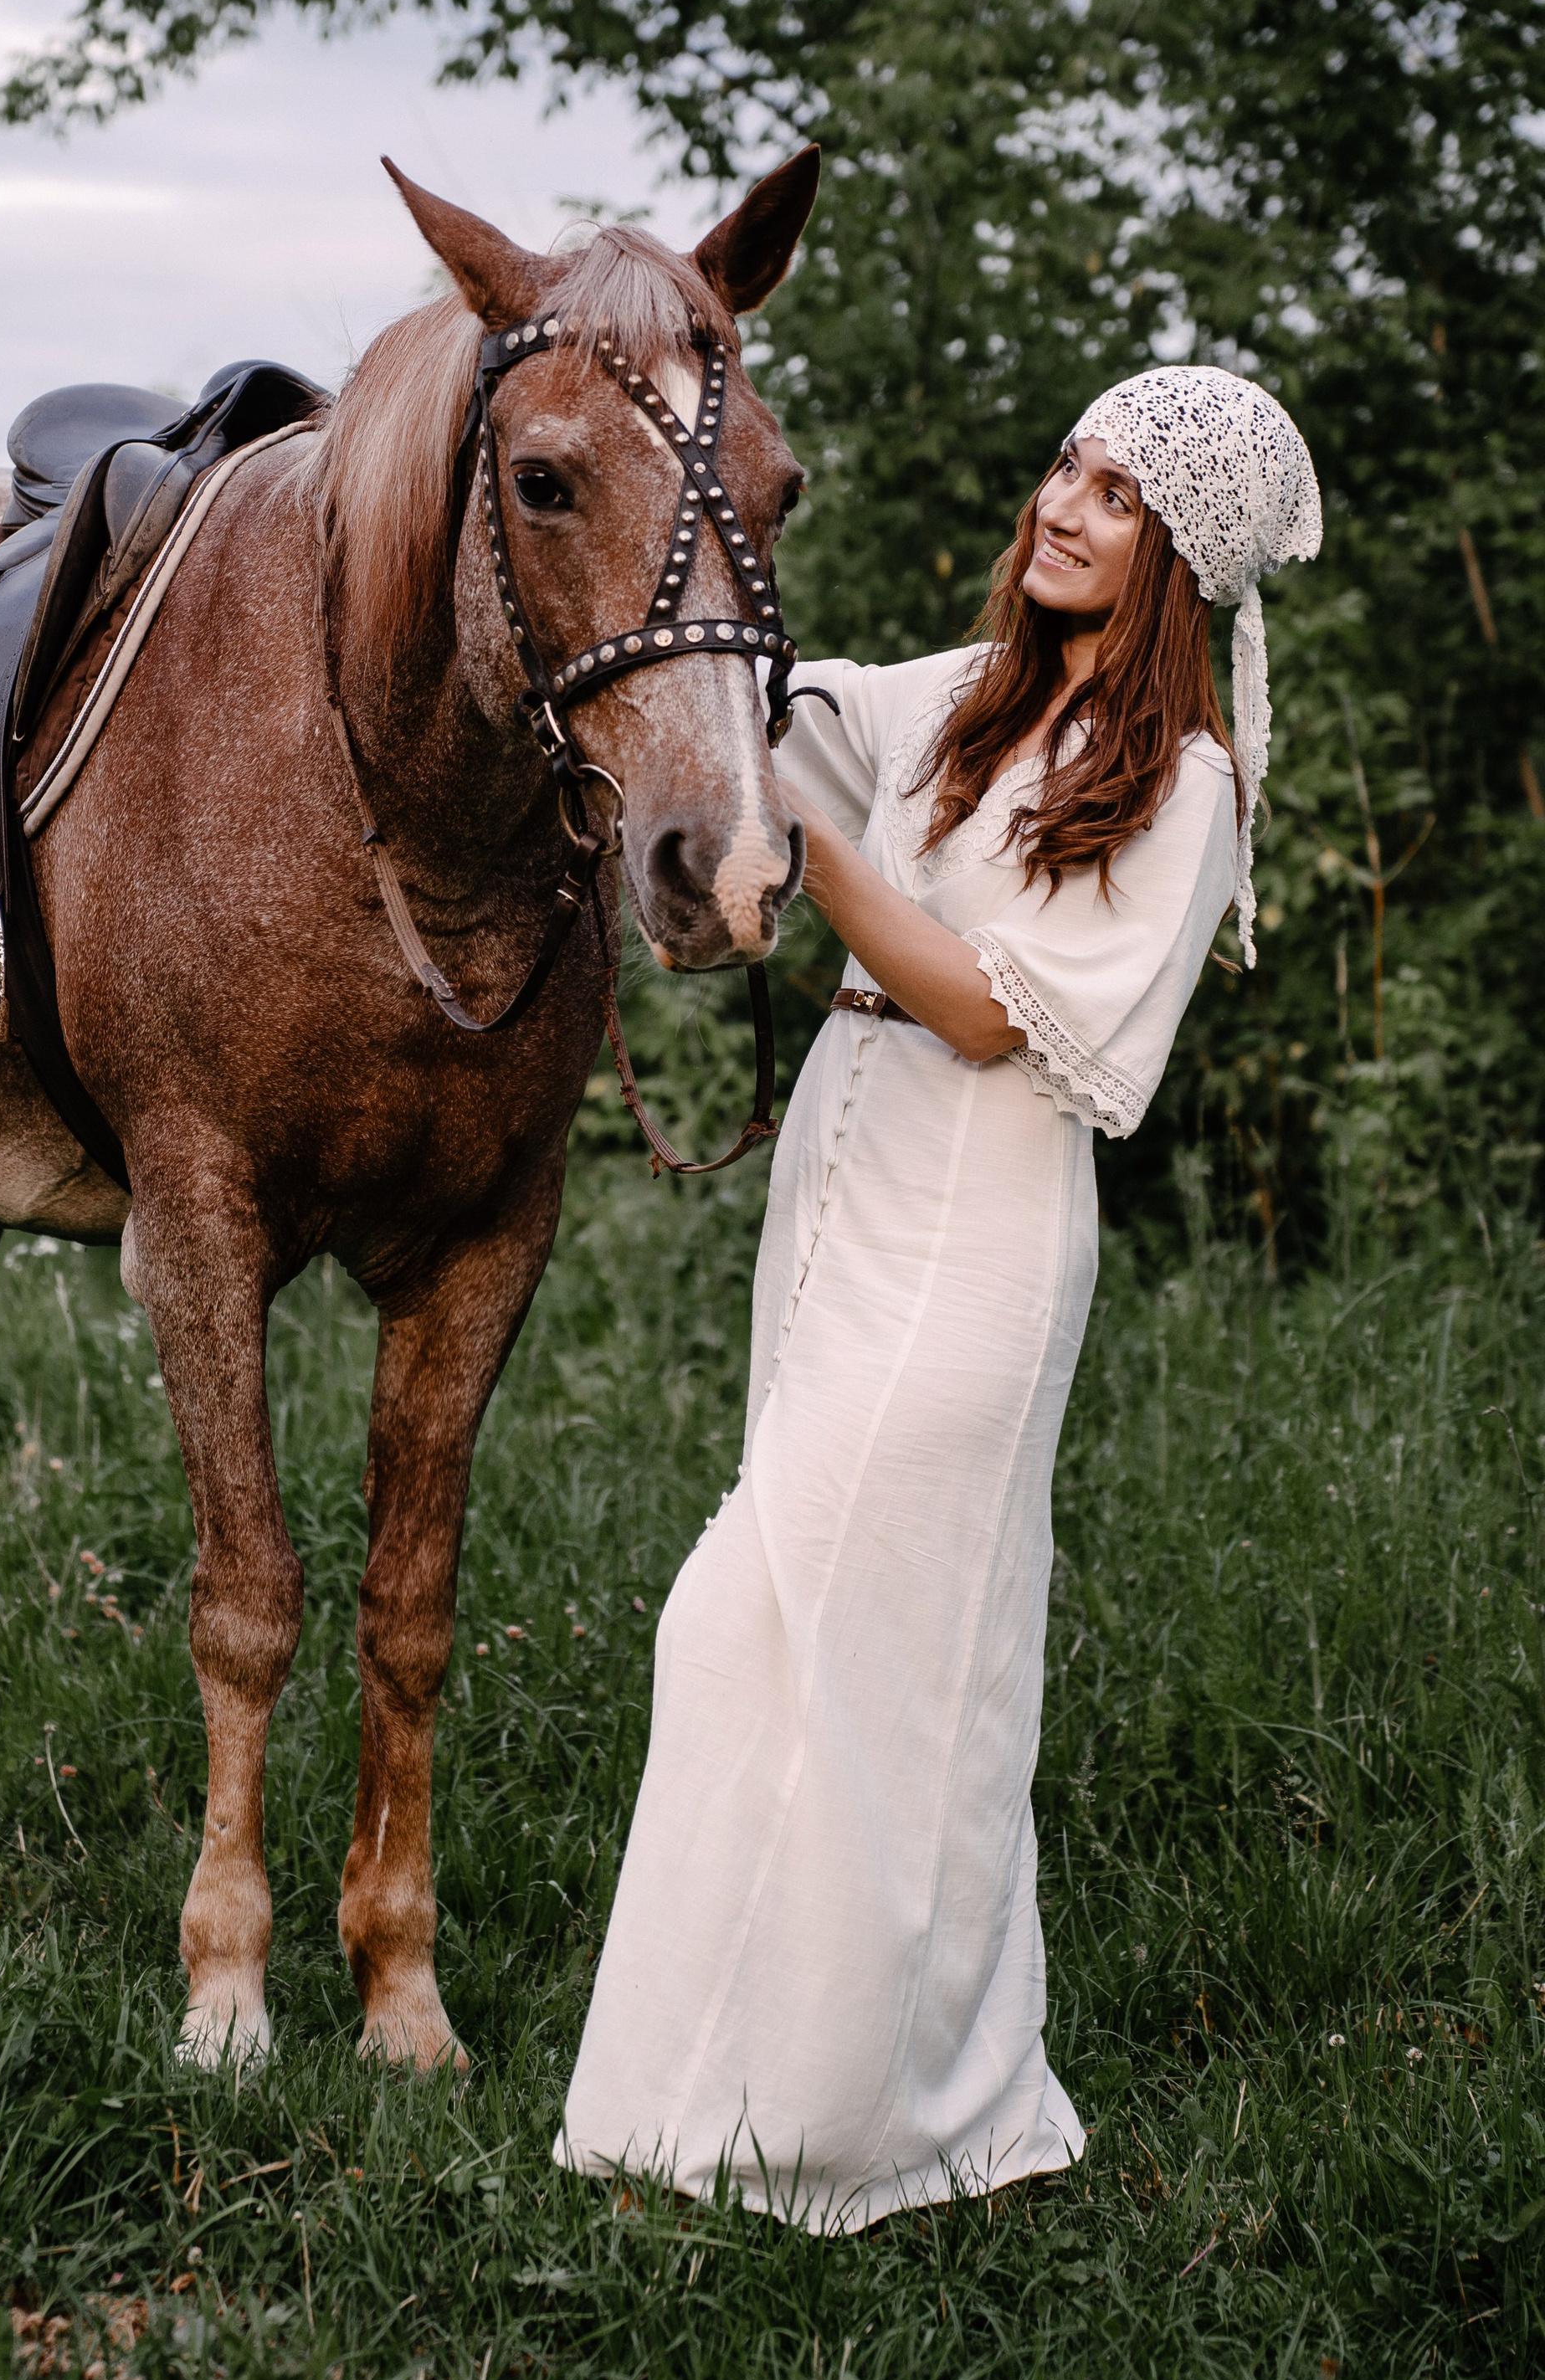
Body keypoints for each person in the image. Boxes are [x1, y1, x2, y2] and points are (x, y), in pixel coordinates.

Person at [555, 363, 1321, 2234]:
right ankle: (746, 2111)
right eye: (1067, 462)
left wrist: (810, 857)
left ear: (1179, 558)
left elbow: (996, 1008)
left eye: (1118, 495)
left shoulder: (1182, 784)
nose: (1062, 503)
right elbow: (769, 727)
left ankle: (841, 2114)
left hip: (974, 1223)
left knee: (751, 1621)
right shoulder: (956, 709)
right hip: (844, 1181)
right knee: (852, 1651)